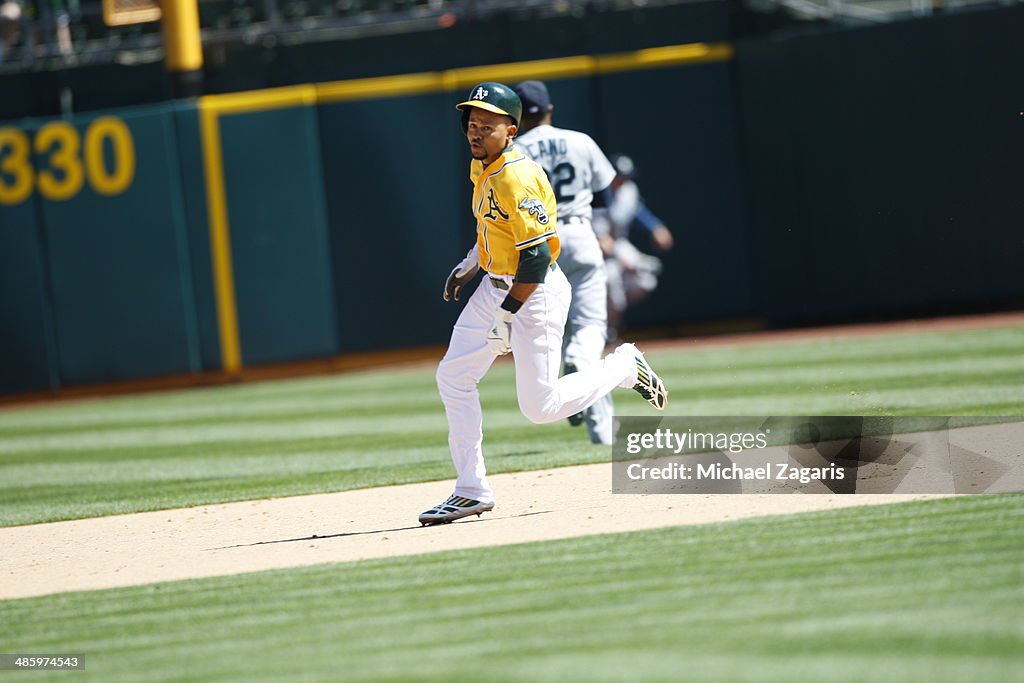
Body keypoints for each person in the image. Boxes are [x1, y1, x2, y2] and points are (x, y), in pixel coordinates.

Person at [420, 82, 669, 526]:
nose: (475, 132)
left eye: (487, 125)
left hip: (534, 293)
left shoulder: (517, 175)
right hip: (496, 286)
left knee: (540, 407)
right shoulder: (482, 164)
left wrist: (507, 315)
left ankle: (624, 366)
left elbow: (536, 256)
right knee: (453, 376)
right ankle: (470, 490)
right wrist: (471, 263)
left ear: (511, 130)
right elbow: (493, 227)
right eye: (471, 124)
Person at [512, 79, 617, 446]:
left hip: (539, 244)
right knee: (590, 330)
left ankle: (575, 379)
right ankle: (601, 430)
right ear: (551, 110)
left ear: (518, 117)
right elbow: (605, 197)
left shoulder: (514, 151)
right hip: (580, 233)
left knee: (547, 332)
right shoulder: (580, 140)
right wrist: (605, 234)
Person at [593, 154, 675, 341]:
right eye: (620, 176)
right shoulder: (596, 191)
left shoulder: (628, 190)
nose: (623, 181)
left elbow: (637, 210)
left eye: (626, 177)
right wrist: (620, 257)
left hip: (619, 244)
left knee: (646, 278)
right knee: (614, 291)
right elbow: (599, 236)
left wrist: (656, 227)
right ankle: (606, 330)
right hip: (595, 247)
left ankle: (611, 319)